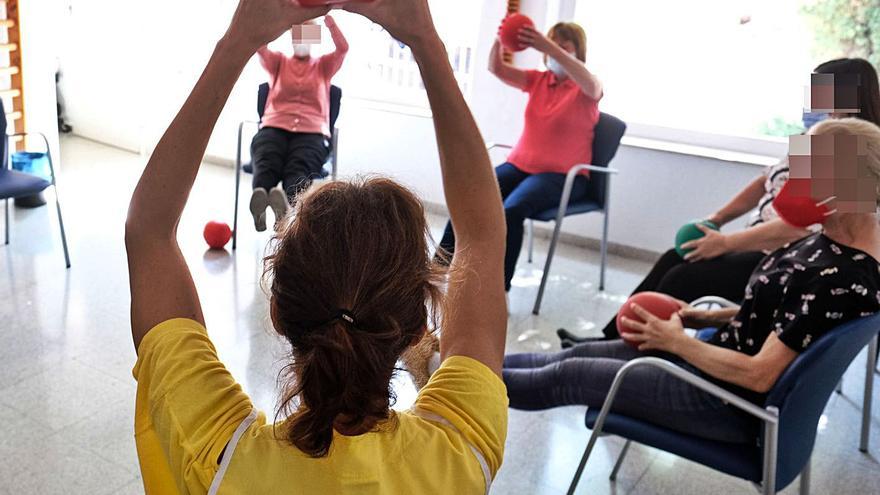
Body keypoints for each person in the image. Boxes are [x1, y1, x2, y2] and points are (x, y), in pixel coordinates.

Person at [124, 0, 508, 493]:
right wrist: (426, 43)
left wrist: (236, 41)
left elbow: (147, 232)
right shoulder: (463, 449)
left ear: (278, 311)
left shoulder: (219, 460)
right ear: (417, 328)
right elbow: (482, 232)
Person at [504, 117, 880, 443]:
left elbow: (760, 374)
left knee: (567, 376)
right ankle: (461, 367)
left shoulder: (841, 279)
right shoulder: (831, 237)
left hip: (723, 400)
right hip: (713, 364)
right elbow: (785, 320)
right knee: (574, 356)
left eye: (808, 172)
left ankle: (451, 385)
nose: (792, 182)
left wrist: (676, 344)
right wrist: (706, 318)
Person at [559, 57, 880, 345]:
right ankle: (611, 337)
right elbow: (765, 180)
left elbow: (802, 227)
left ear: (848, 98)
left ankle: (625, 347)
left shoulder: (852, 155)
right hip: (758, 245)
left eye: (821, 93)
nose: (812, 101)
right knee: (673, 258)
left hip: (786, 261)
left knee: (681, 278)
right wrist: (717, 220)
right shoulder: (817, 138)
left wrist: (726, 243)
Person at [437, 21, 603, 293]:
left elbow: (593, 85)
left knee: (512, 210)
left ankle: (498, 288)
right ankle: (439, 267)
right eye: (553, 45)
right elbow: (496, 68)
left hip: (562, 175)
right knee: (470, 194)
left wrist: (547, 45)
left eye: (565, 46)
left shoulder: (585, 89)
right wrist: (501, 38)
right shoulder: (539, 80)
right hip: (520, 165)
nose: (556, 51)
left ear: (577, 51)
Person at [249, 14, 348, 232]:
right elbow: (259, 44)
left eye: (307, 36)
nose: (302, 41)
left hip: (311, 132)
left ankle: (284, 205)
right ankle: (260, 200)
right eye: (298, 35)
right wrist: (284, 22)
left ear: (314, 40)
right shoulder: (278, 63)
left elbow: (342, 49)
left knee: (299, 166)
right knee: (267, 157)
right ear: (292, 38)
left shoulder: (323, 66)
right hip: (274, 126)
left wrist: (328, 21)